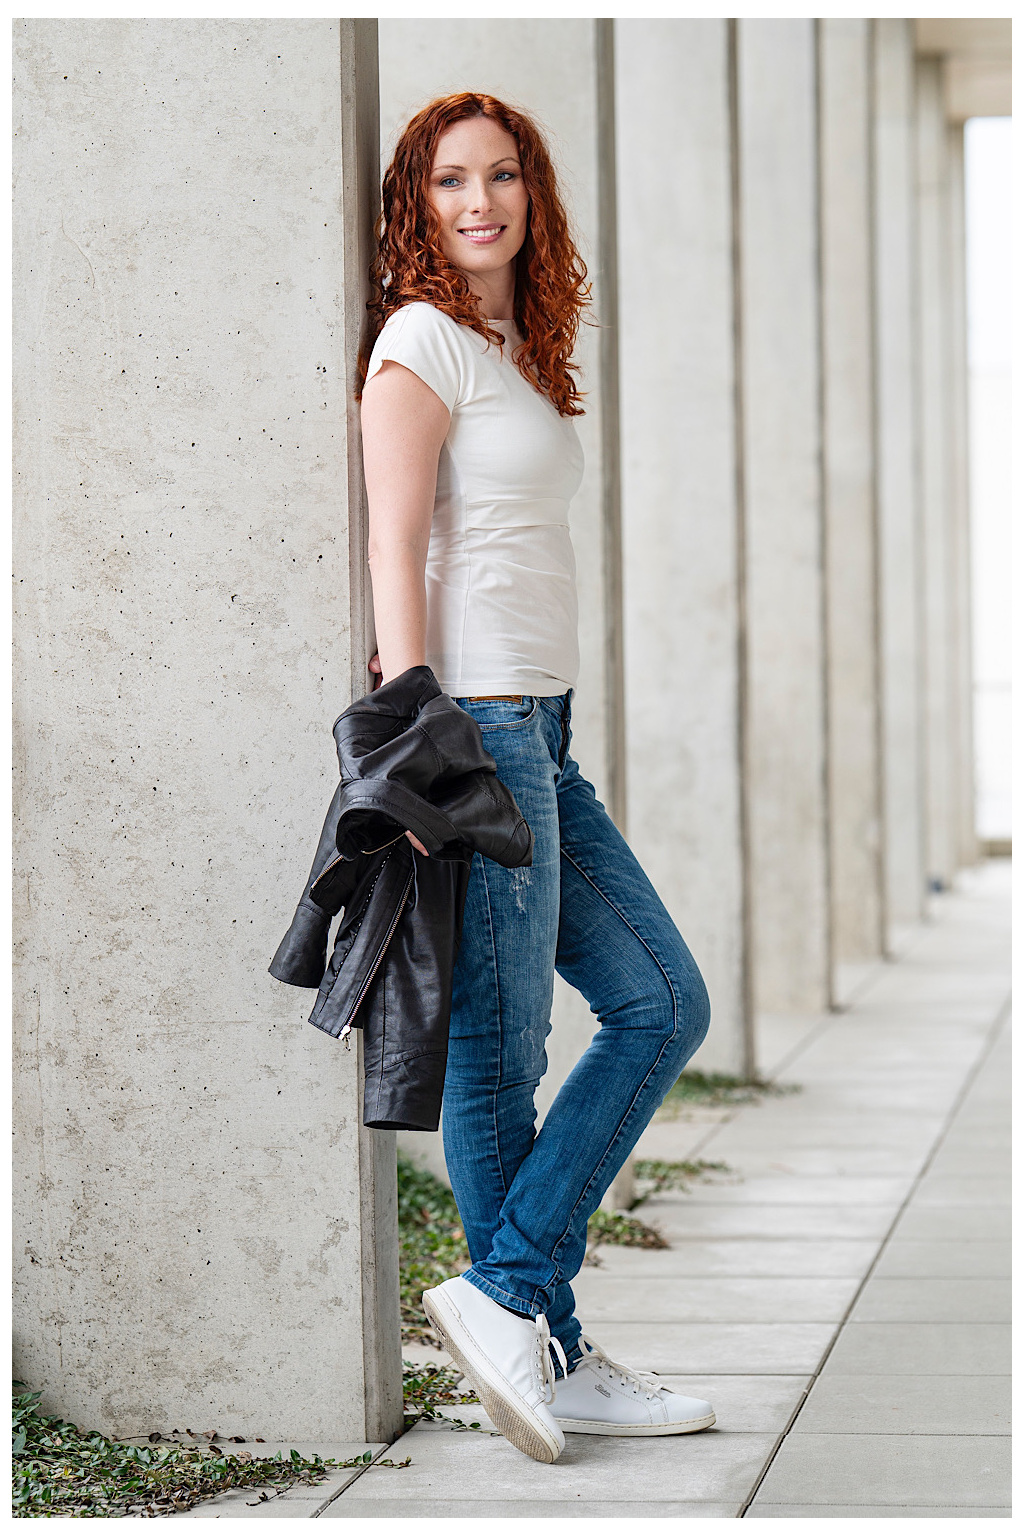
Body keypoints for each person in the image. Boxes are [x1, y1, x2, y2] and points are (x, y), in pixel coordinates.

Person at [358, 91, 714, 1464]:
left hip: (541, 729)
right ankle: (523, 1314)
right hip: (476, 727)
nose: (480, 202)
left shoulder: (519, 345)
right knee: (501, 1051)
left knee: (659, 1001)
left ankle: (525, 1314)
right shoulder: (420, 342)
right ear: (417, 202)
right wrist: (419, 744)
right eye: (450, 180)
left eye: (502, 176)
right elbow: (394, 547)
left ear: (531, 195)